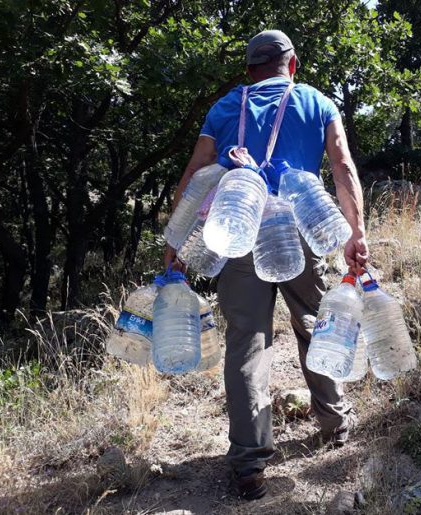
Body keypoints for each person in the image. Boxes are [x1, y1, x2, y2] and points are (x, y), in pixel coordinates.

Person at [164, 30, 368, 500]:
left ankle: (248, 465)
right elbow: (342, 166)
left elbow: (195, 172)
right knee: (316, 324)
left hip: (237, 229)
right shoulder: (316, 102)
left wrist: (174, 240)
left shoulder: (224, 108)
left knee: (247, 343)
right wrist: (356, 233)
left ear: (249, 72)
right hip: (301, 225)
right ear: (291, 65)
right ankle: (334, 422)